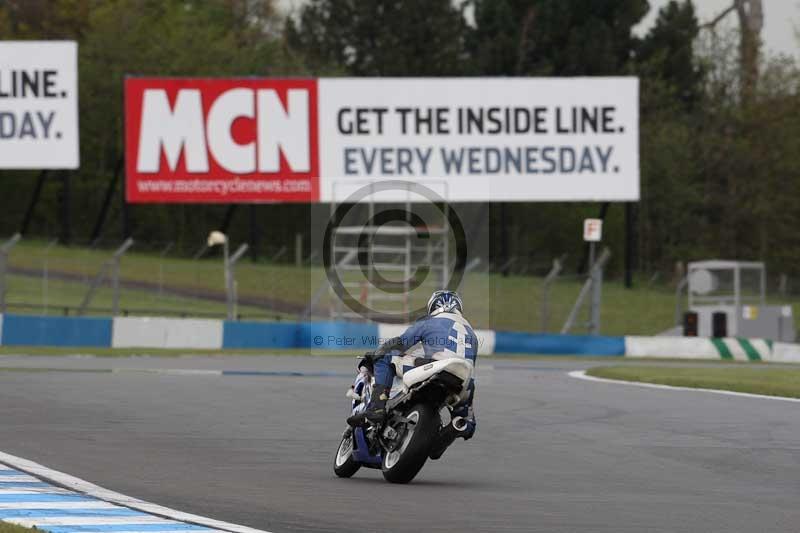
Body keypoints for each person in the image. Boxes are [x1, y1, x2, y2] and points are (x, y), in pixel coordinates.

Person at [346, 289, 478, 438]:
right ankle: (448, 433)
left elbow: (401, 343)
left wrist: (378, 352)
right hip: (465, 379)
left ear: (433, 306)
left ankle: (377, 408)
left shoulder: (430, 321)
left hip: (437, 366)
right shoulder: (472, 334)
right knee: (467, 423)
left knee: (386, 358)